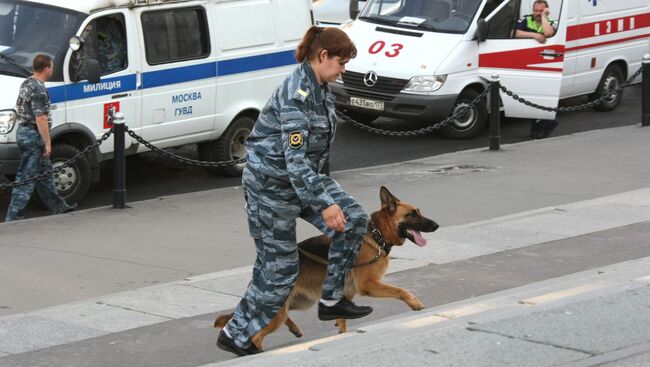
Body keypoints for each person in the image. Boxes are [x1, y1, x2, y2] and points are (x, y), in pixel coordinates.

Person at [217, 26, 372, 356]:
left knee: (355, 218)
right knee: (280, 272)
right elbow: (295, 160)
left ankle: (331, 299)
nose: (344, 69)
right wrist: (325, 203)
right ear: (323, 56)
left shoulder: (320, 87)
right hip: (271, 190)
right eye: (341, 62)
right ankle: (236, 333)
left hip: (304, 181)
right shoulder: (295, 94)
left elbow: (313, 160)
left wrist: (329, 197)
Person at [5, 54, 75, 222]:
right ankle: (13, 218)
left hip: (25, 132)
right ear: (46, 69)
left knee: (45, 174)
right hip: (33, 135)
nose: (52, 70)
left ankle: (58, 207)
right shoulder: (39, 89)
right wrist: (48, 142)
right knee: (26, 178)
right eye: (51, 67)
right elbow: (40, 118)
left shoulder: (27, 82)